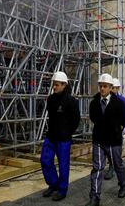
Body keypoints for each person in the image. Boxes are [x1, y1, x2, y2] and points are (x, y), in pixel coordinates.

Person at [85, 74, 125, 206]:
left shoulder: (118, 103)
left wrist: (115, 130)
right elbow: (93, 118)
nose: (102, 88)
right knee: (97, 168)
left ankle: (123, 184)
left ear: (110, 87)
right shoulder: (94, 103)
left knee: (117, 165)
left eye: (105, 86)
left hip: (113, 140)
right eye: (100, 86)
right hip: (98, 139)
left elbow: (123, 120)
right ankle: (95, 197)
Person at [41, 71, 80, 201]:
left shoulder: (71, 101)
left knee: (63, 165)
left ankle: (62, 189)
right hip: (51, 136)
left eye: (57, 84)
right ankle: (54, 184)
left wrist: (67, 132)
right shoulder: (51, 99)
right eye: (54, 84)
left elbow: (76, 120)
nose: (54, 87)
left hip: (63, 139)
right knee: (45, 160)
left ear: (64, 85)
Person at [103, 78, 125, 180]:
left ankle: (115, 168)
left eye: (115, 88)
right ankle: (112, 166)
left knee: (116, 151)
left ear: (118, 88)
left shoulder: (122, 100)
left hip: (118, 130)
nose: (113, 90)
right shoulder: (106, 99)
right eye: (112, 88)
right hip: (107, 131)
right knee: (108, 150)